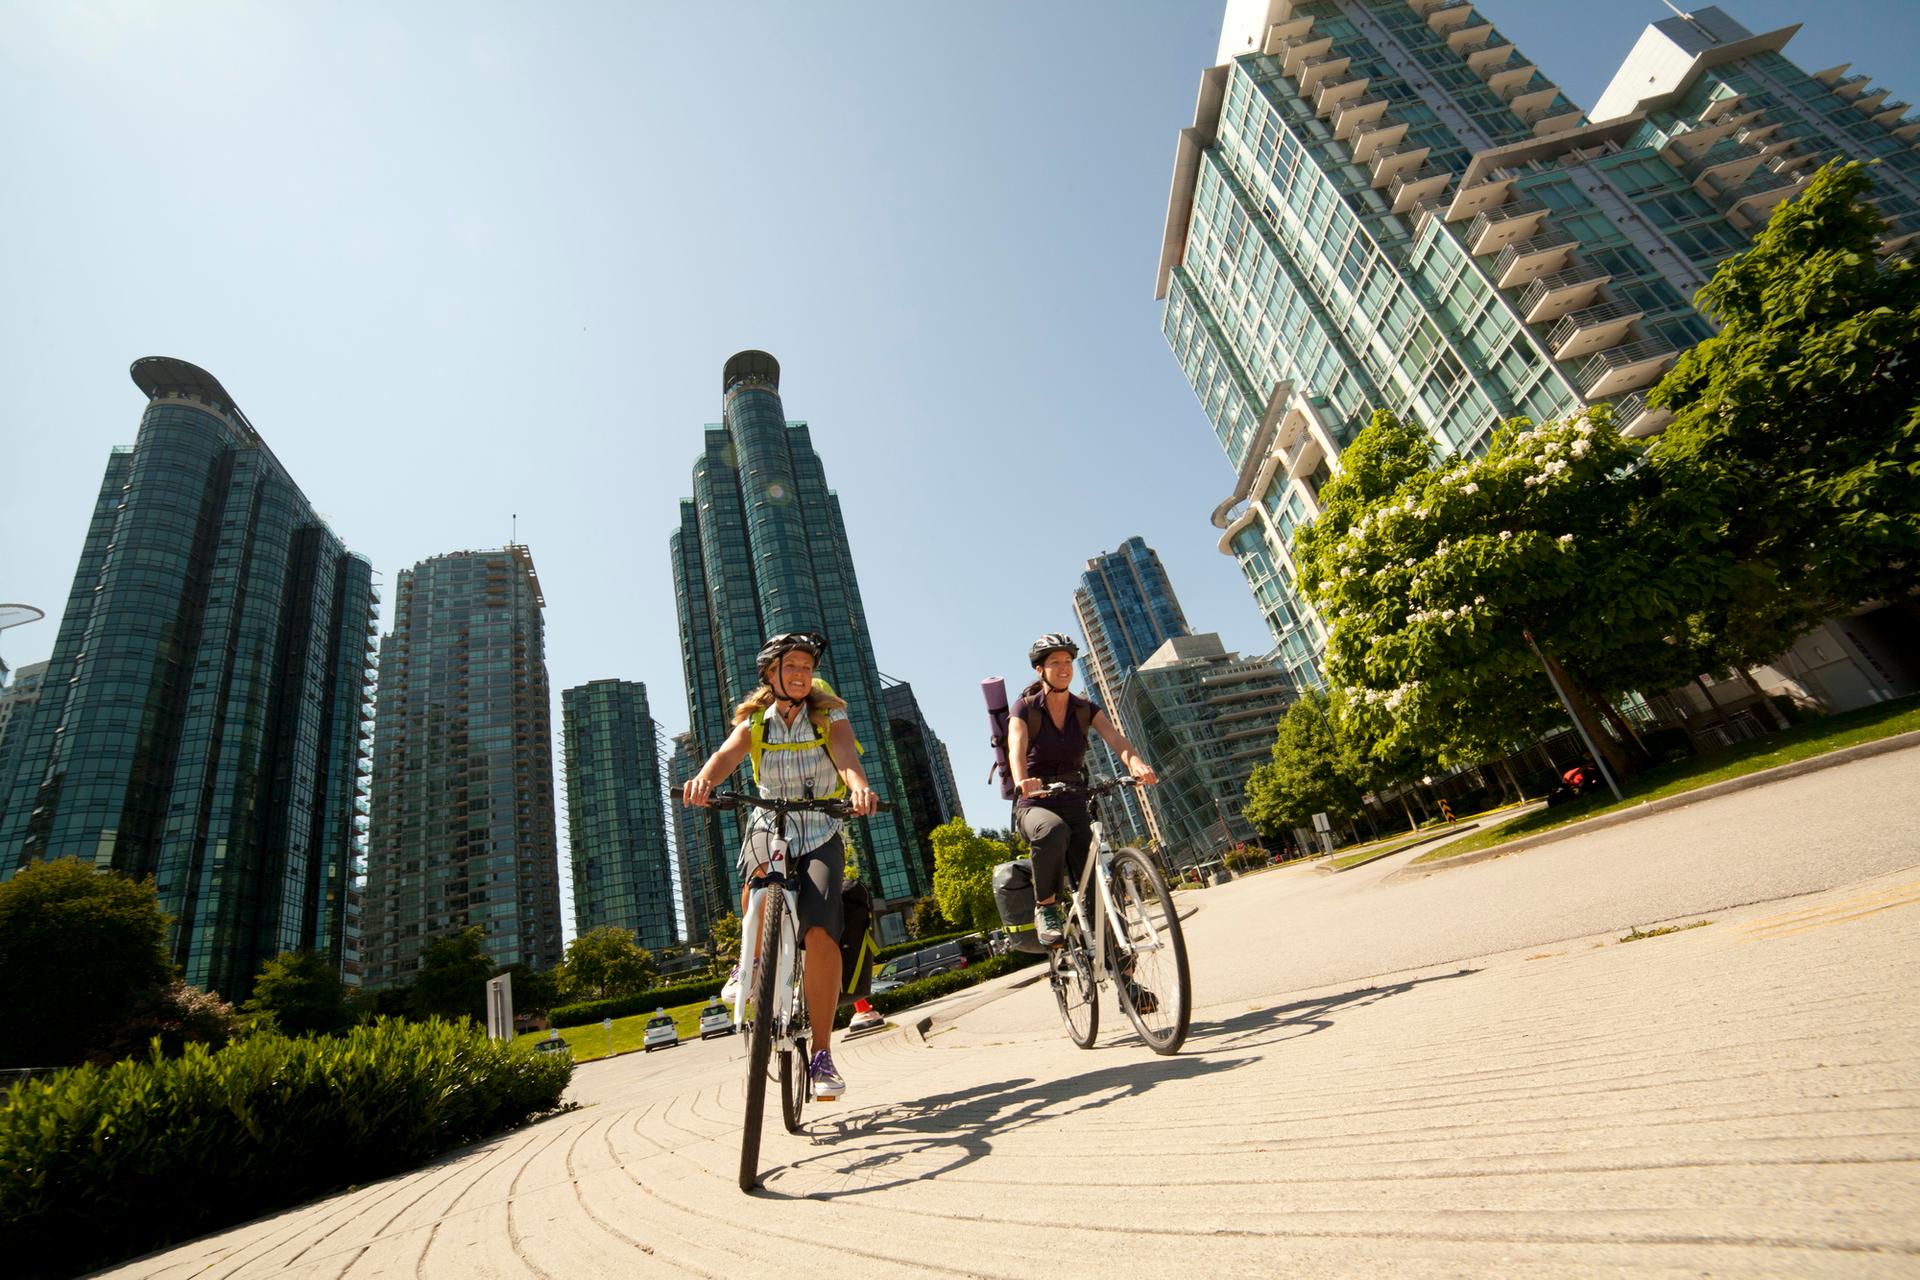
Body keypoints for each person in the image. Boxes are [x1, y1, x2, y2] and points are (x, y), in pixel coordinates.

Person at [683, 630, 878, 1101]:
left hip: (822, 828)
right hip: (770, 822)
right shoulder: (755, 724)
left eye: (806, 668)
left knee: (820, 929)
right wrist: (704, 780)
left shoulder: (827, 715)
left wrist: (857, 787)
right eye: (790, 666)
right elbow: (726, 755)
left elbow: (847, 755)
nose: (800, 674)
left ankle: (823, 1056)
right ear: (771, 674)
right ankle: (746, 964)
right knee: (760, 871)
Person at [1005, 633, 1157, 953]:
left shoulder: (1084, 709)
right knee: (1052, 829)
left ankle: (1127, 981)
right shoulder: (1026, 709)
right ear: (1039, 670)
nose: (1064, 668)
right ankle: (1045, 906)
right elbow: (1015, 748)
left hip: (1075, 799)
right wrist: (1023, 780)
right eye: (1055, 662)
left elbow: (1116, 739)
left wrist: (1137, 764)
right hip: (1035, 803)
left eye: (1068, 662)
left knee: (1100, 897)